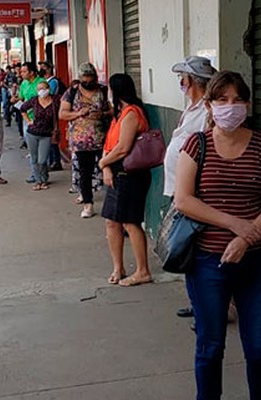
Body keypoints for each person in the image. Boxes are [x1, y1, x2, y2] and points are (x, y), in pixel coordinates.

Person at [174, 71, 261, 400]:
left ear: (247, 104)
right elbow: (184, 200)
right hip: (208, 264)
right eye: (222, 100)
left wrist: (247, 238)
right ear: (208, 105)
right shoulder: (197, 144)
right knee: (210, 347)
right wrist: (235, 224)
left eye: (237, 100)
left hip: (255, 263)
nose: (230, 107)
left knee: (259, 348)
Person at [166, 56, 217, 320]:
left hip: (194, 194)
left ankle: (208, 310)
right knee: (188, 253)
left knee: (197, 253)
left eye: (182, 78)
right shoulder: (191, 107)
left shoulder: (208, 112)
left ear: (191, 81)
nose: (180, 83)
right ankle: (198, 304)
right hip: (180, 190)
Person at [97, 73, 152, 286]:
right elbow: (110, 144)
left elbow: (123, 148)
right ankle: (118, 267)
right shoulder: (119, 114)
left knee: (130, 222)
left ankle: (143, 270)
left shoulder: (131, 113)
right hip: (117, 172)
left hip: (131, 175)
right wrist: (106, 165)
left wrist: (103, 164)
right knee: (112, 222)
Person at [59, 62, 112, 218]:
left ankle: (112, 203)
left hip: (103, 138)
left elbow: (113, 109)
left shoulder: (103, 90)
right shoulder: (72, 92)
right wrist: (78, 114)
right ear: (80, 77)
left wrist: (102, 114)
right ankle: (88, 204)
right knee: (85, 173)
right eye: (85, 78)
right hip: (81, 141)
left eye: (91, 78)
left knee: (108, 170)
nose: (88, 81)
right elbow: (62, 114)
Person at [20, 81, 61, 191]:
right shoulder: (34, 100)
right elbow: (22, 108)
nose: (41, 91)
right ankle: (39, 181)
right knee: (34, 158)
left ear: (48, 89)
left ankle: (44, 178)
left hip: (47, 134)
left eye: (43, 88)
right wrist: (28, 121)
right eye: (39, 89)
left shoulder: (56, 100)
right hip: (32, 133)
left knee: (43, 159)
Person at [38, 60, 64, 171]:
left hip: (52, 111)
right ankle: (51, 160)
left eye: (43, 67)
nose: (41, 69)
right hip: (45, 112)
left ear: (49, 69)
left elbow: (49, 95)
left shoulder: (53, 82)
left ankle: (56, 161)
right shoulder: (44, 81)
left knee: (52, 137)